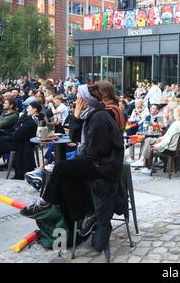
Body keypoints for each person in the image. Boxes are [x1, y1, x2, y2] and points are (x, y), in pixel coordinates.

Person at [20, 83, 124, 238]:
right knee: (67, 180)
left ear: (86, 100)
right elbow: (76, 138)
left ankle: (45, 202)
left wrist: (81, 156)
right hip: (99, 162)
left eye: (79, 97)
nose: (76, 100)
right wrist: (76, 115)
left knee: (61, 167)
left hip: (104, 166)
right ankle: (86, 217)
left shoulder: (100, 116)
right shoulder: (91, 114)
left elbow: (98, 150)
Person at [132, 106, 180, 174]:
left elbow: (168, 139)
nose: (173, 114)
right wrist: (160, 140)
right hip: (173, 147)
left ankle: (146, 164)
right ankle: (143, 162)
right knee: (148, 140)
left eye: (174, 113)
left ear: (178, 114)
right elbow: (168, 137)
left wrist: (158, 146)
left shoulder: (176, 124)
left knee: (149, 142)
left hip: (170, 148)